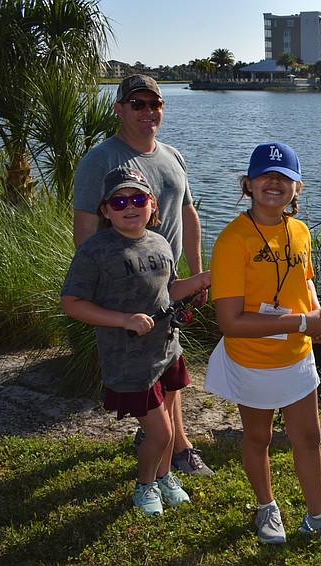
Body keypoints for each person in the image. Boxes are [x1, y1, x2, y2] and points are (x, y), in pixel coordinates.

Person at [204, 142, 321, 544]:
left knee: (308, 437)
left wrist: (317, 317)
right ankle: (266, 508)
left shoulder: (300, 230)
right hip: (253, 358)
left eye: (284, 177)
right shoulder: (231, 240)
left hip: (296, 355)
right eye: (265, 175)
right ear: (248, 184)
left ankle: (318, 516)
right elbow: (230, 322)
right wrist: (302, 322)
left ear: (298, 188)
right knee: (258, 437)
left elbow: (305, 281)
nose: (274, 182)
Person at [73, 74, 213, 476]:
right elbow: (84, 226)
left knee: (170, 363)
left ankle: (162, 439)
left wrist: (197, 271)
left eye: (155, 104)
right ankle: (176, 446)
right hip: (124, 288)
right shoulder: (100, 160)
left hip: (166, 283)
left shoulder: (172, 155)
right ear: (119, 109)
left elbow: (188, 215)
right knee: (148, 367)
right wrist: (93, 288)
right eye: (138, 104)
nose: (148, 112)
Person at [61, 167, 212, 516]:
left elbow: (169, 291)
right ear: (105, 210)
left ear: (152, 203)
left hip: (167, 350)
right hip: (129, 359)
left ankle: (165, 476)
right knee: (159, 433)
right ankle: (144, 486)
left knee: (172, 425)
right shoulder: (95, 251)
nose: (129, 206)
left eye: (137, 198)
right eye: (119, 201)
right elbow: (71, 303)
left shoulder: (160, 242)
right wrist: (124, 320)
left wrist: (203, 279)